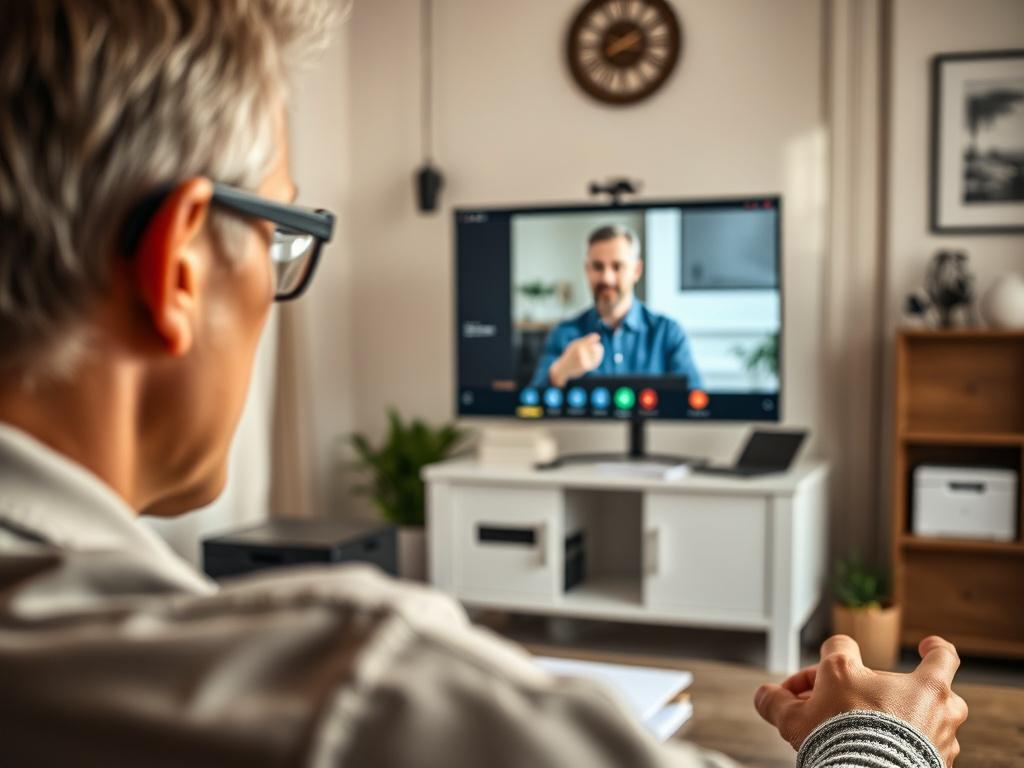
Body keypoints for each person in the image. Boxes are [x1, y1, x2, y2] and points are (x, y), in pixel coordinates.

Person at [0, 2, 968, 767]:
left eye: (617, 272)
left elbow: (693, 388)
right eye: (281, 239)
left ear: (634, 274)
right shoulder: (365, 693)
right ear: (180, 270)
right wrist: (889, 744)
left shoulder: (670, 336)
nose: (605, 283)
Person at [529, 226, 703, 390]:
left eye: (617, 266)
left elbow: (697, 403)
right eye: (598, 267)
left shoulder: (668, 332)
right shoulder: (563, 333)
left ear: (636, 270)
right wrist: (560, 372)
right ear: (587, 270)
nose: (607, 278)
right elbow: (529, 408)